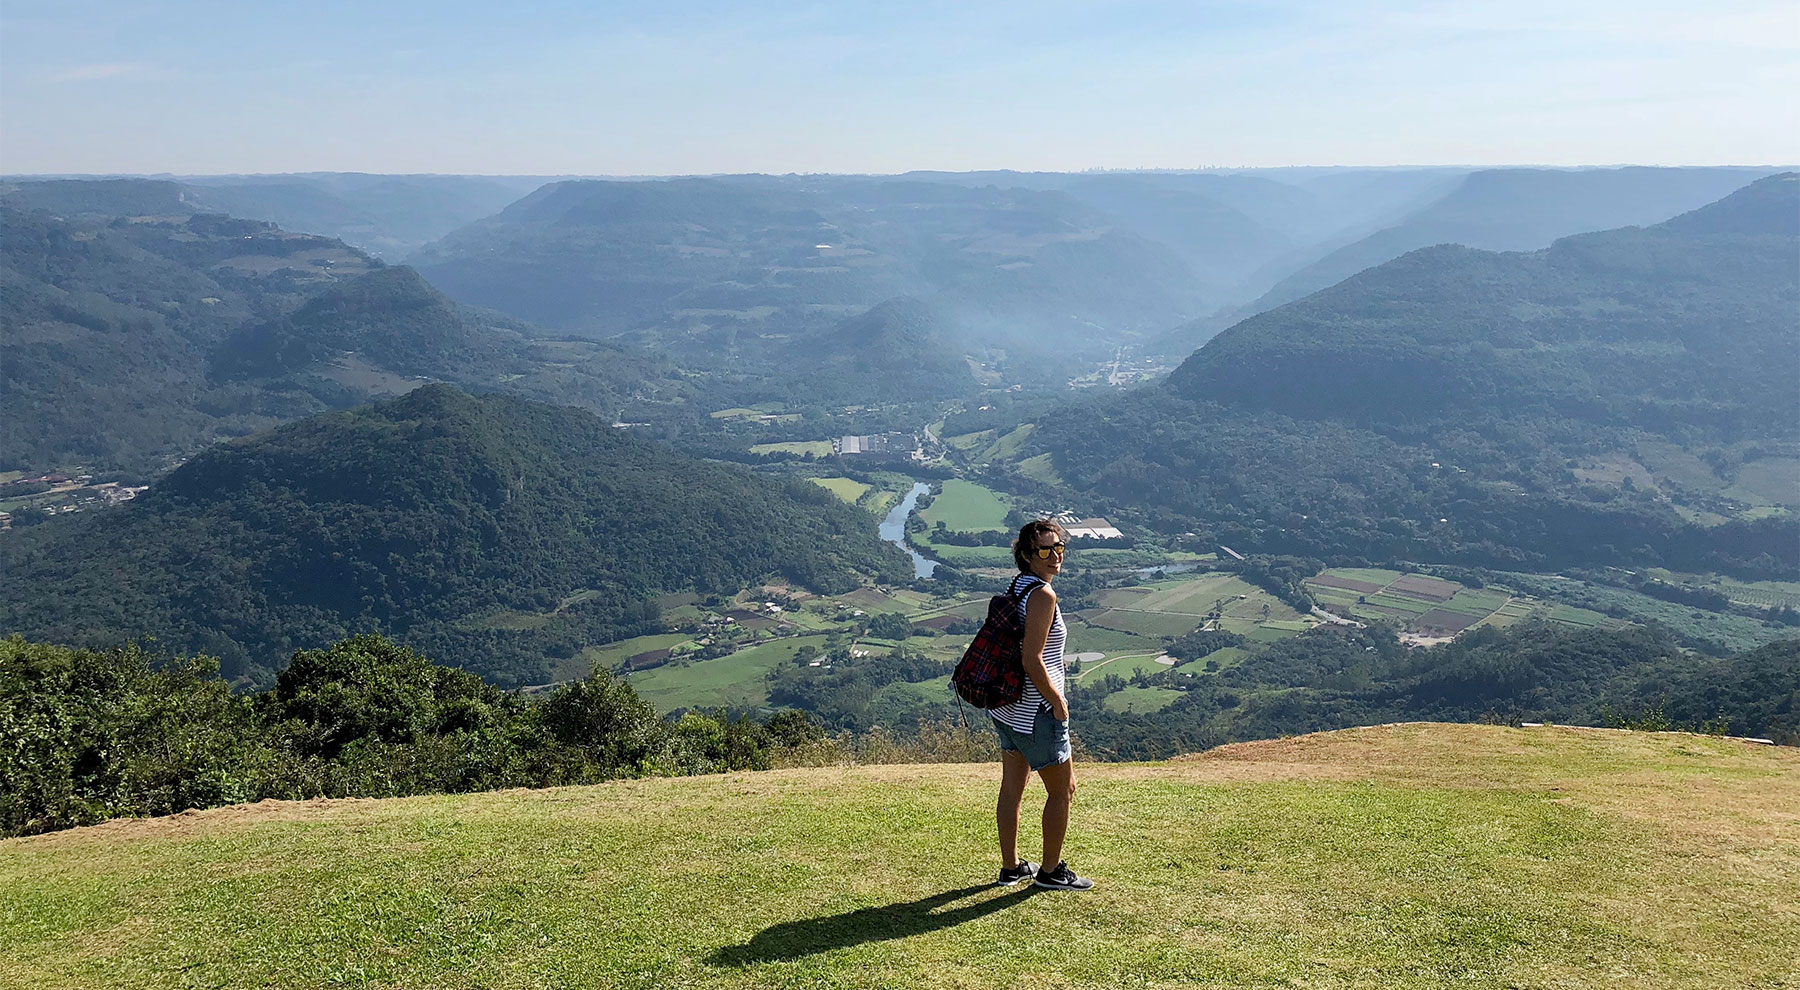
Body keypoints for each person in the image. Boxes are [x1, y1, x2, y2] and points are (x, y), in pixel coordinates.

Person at [992, 519, 1093, 892]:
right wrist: (1057, 702)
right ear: (1026, 556)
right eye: (1045, 550)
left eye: (1059, 548)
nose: (1055, 557)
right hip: (1035, 710)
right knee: (1063, 789)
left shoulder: (1019, 587)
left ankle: (1012, 867)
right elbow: (1031, 659)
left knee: (1012, 788)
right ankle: (1050, 872)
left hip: (1008, 709)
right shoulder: (1043, 596)